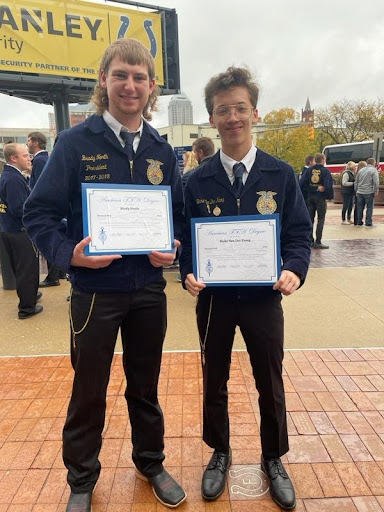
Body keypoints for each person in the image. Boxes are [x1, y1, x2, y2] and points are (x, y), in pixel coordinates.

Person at [23, 38, 186, 511]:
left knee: (146, 385)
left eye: (139, 77)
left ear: (151, 86)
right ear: (104, 80)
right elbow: (39, 213)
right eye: (121, 75)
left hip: (149, 291)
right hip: (95, 291)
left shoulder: (161, 148)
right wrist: (68, 257)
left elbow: (174, 215)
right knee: (88, 389)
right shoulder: (74, 143)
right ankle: (81, 478)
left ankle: (151, 462)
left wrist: (171, 248)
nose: (130, 85)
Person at [179, 67, 311, 511]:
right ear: (211, 119)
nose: (232, 117)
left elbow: (298, 234)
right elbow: (185, 240)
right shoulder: (195, 182)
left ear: (254, 112)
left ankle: (273, 457)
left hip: (262, 299)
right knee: (213, 380)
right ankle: (220, 451)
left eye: (239, 108)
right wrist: (187, 272)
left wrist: (294, 268)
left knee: (268, 382)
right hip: (214, 301)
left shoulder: (280, 173)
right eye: (222, 110)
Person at [0, 143, 42, 319]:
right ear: (13, 158)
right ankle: (26, 307)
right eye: (25, 156)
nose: (29, 158)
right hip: (19, 231)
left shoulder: (6, 176)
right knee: (27, 268)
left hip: (8, 229)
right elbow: (19, 209)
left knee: (22, 267)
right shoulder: (14, 179)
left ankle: (30, 294)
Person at [27, 131, 62, 287]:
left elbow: (43, 187)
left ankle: (53, 276)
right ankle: (57, 273)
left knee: (49, 238)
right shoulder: (41, 159)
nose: (27, 144)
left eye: (28, 140)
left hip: (47, 207)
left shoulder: (40, 160)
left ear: (35, 142)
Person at [299, 153, 334, 249]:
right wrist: (329, 195)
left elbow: (301, 183)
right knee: (321, 218)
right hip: (320, 198)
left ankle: (310, 240)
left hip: (310, 197)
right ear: (323, 160)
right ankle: (318, 241)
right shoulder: (325, 171)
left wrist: (311, 190)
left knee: (310, 218)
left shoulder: (309, 170)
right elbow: (328, 185)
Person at [354, 157, 379, 228]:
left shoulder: (361, 170)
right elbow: (375, 182)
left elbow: (356, 181)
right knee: (369, 207)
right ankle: (368, 223)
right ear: (373, 163)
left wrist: (356, 190)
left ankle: (359, 222)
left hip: (360, 192)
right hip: (369, 192)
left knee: (360, 207)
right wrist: (376, 190)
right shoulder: (373, 170)